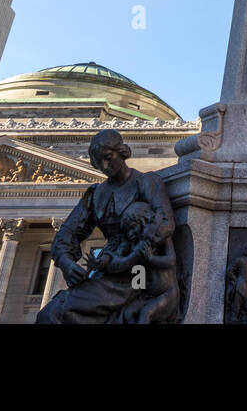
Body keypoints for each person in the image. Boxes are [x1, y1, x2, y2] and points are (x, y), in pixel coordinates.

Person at [35, 130, 179, 324]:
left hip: (138, 274)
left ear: (122, 152)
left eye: (109, 158)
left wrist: (134, 253)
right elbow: (67, 234)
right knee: (55, 311)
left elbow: (165, 221)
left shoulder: (145, 182)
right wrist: (67, 264)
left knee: (56, 313)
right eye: (99, 161)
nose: (105, 166)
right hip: (107, 272)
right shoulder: (96, 193)